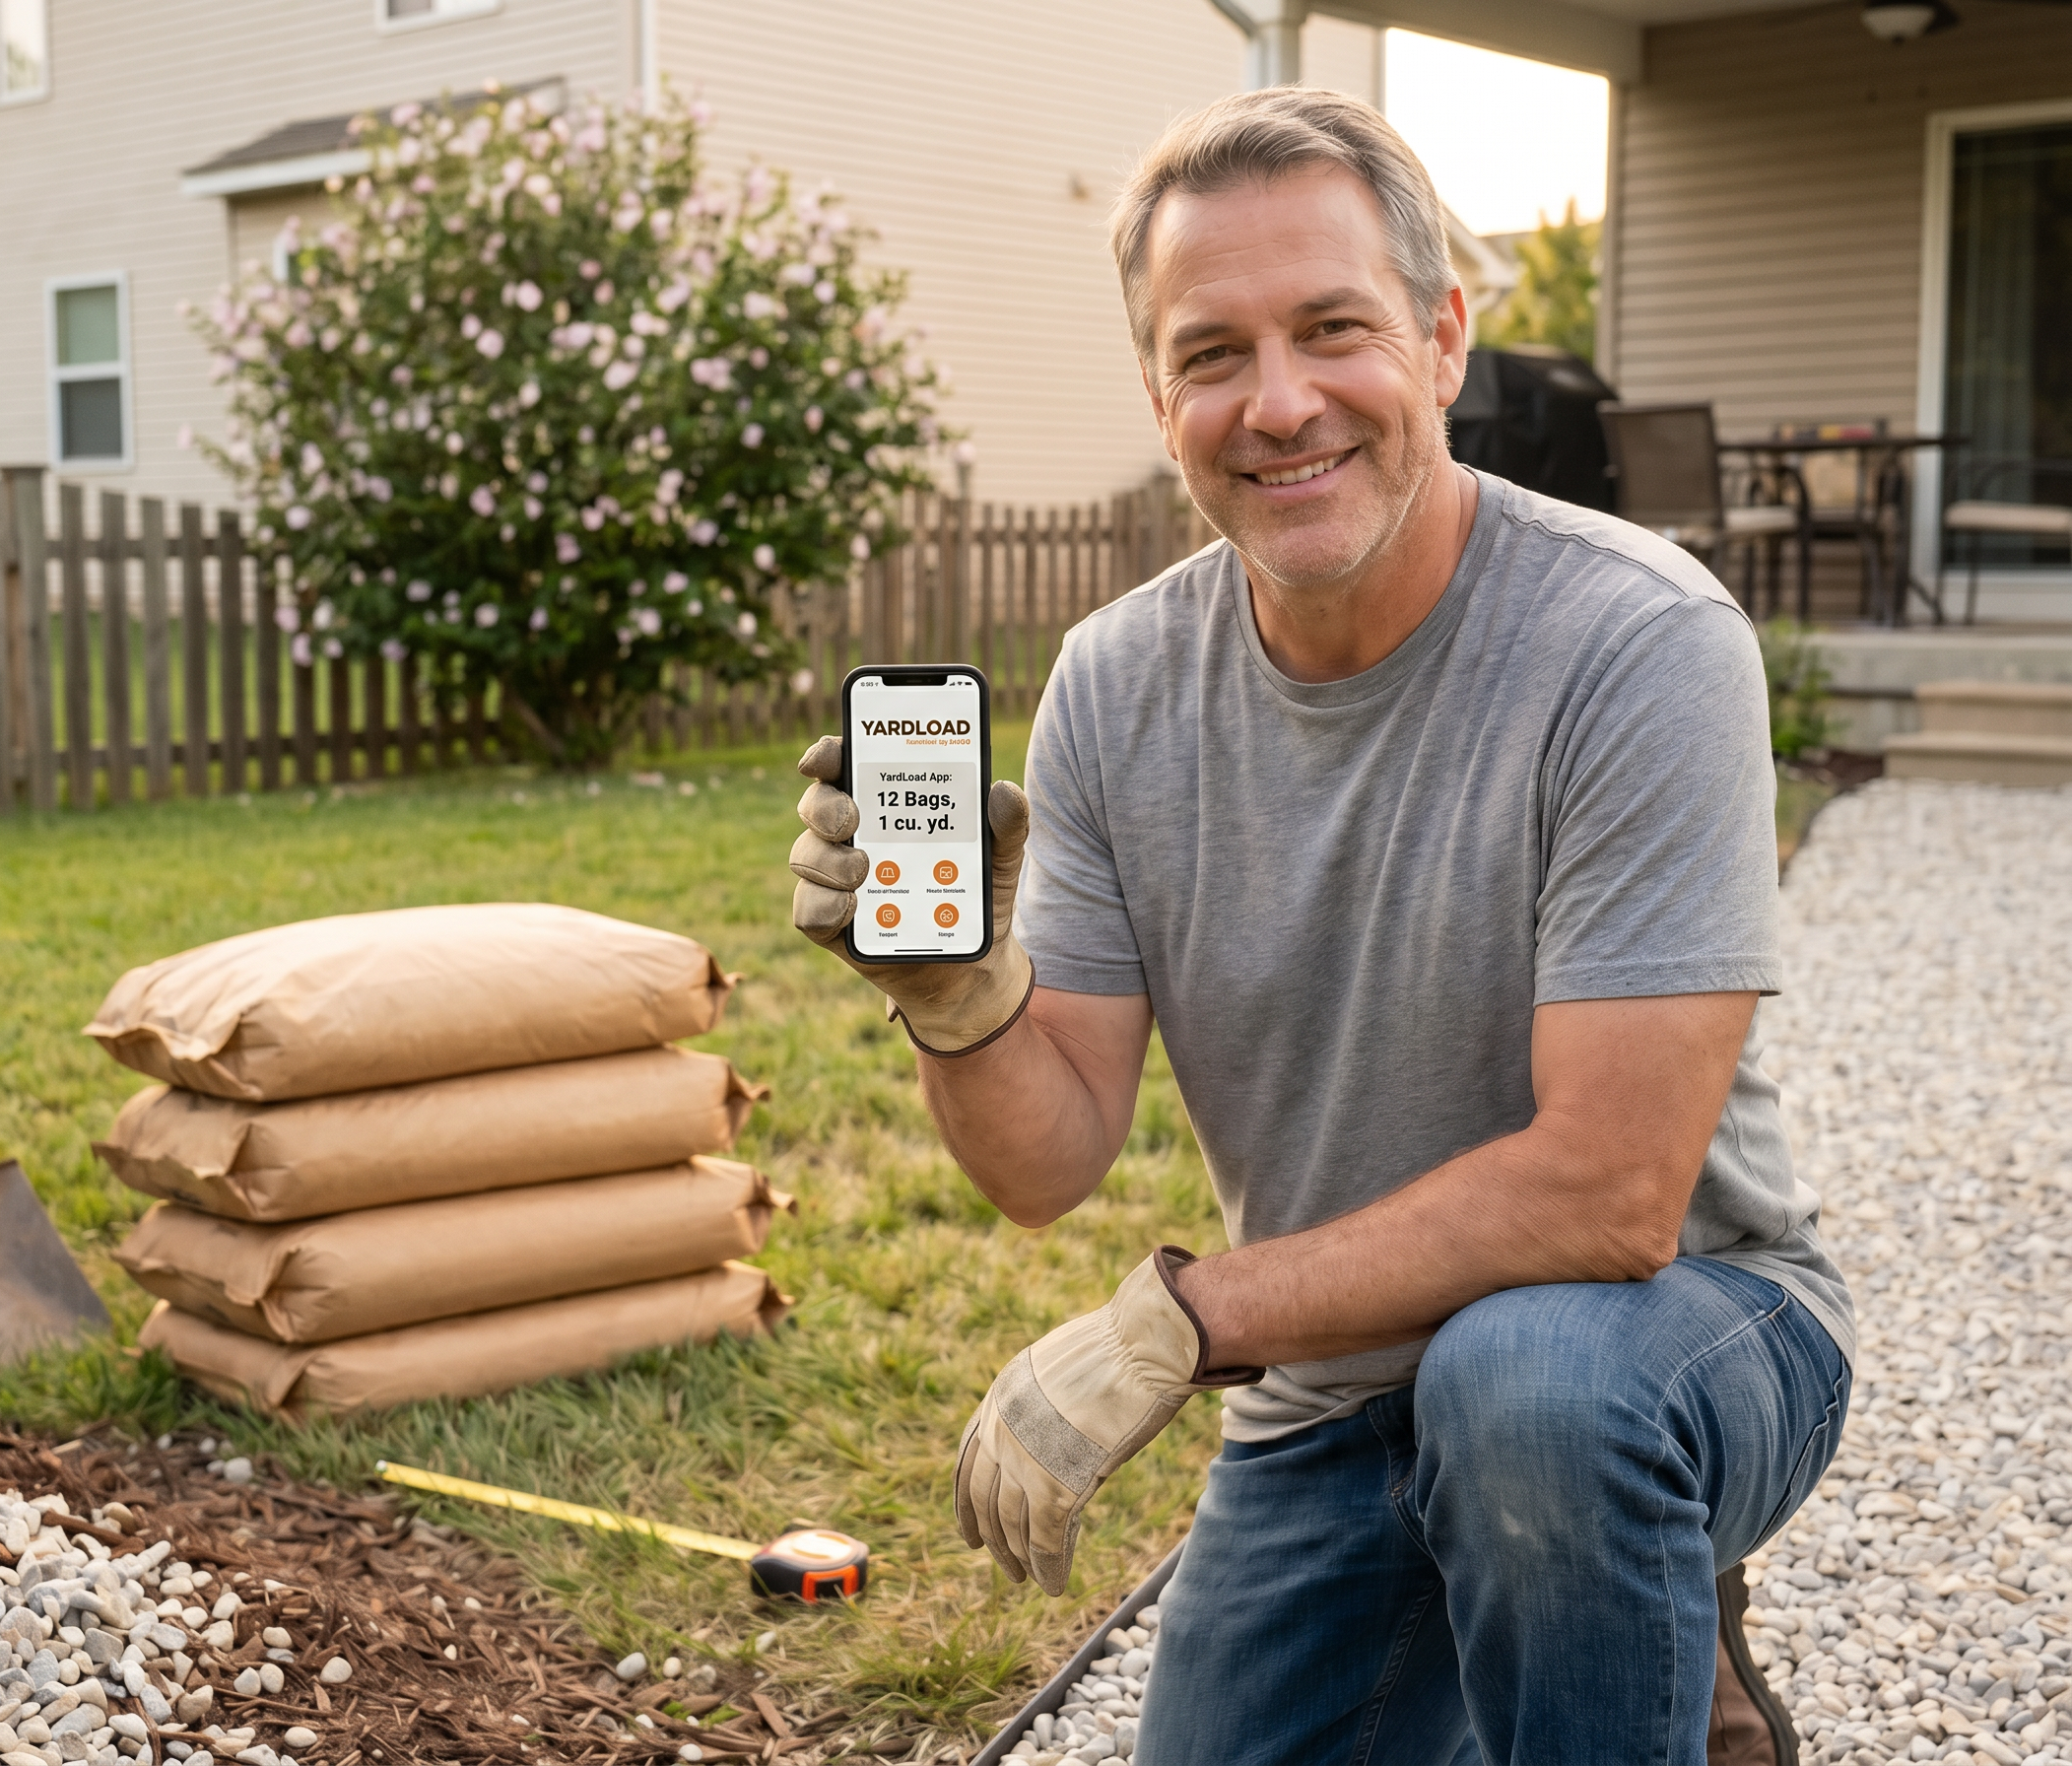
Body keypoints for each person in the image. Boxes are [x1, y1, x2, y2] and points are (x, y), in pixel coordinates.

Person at [786, 88, 1849, 1765]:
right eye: (1213, 354)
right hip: (1337, 1381)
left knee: (1538, 1399)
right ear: (1160, 395)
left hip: (1684, 1334)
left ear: (1440, 340)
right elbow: (1041, 1161)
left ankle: (1641, 1602)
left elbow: (1614, 1196)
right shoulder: (1120, 683)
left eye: (1333, 329)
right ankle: (1583, 1593)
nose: (1278, 406)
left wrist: (1177, 1321)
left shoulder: (1639, 641)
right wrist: (956, 991)